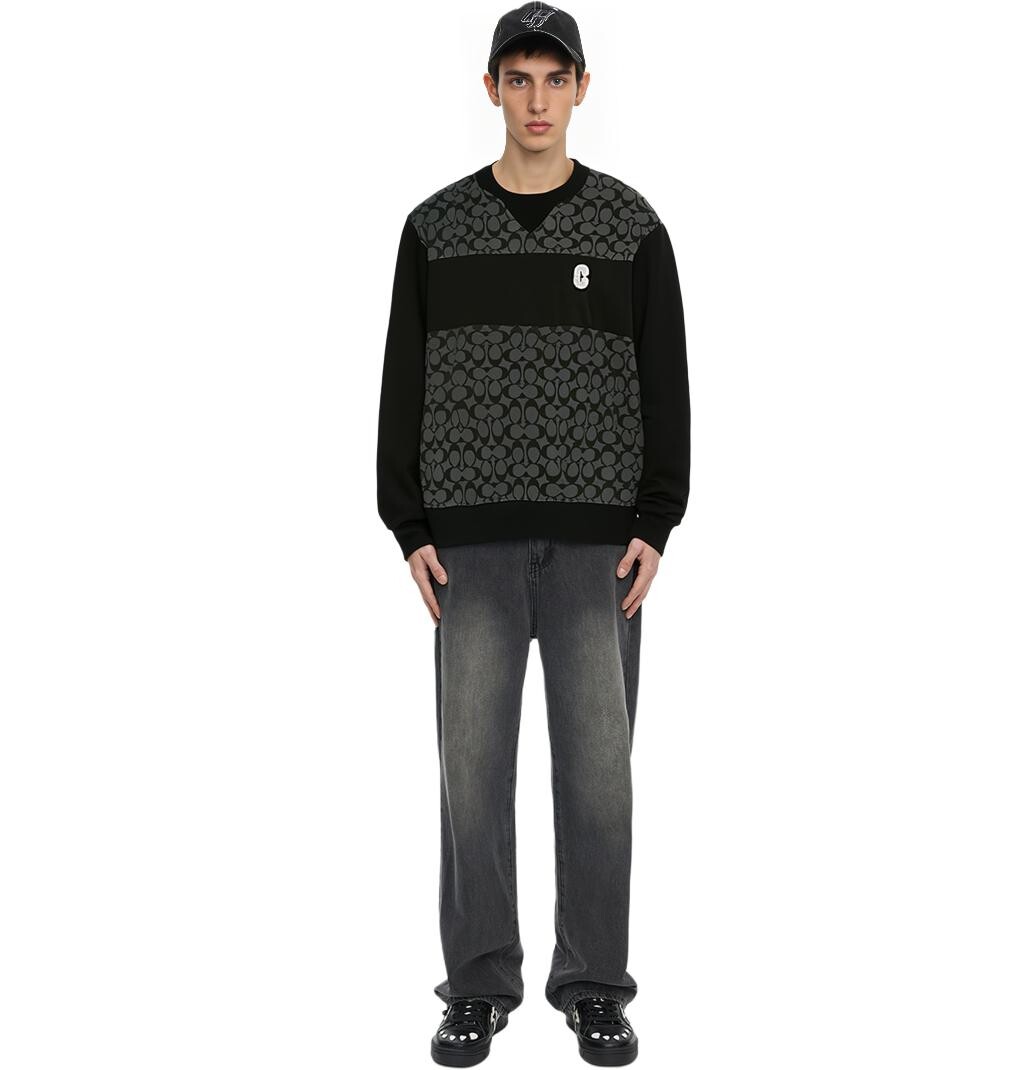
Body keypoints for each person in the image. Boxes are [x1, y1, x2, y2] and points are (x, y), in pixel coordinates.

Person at [376, 4, 690, 1064]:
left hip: (602, 552)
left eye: (555, 79)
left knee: (599, 781)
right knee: (471, 776)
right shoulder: (434, 230)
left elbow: (665, 381)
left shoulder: (630, 228)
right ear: (491, 90)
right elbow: (402, 380)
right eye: (518, 79)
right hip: (468, 548)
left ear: (582, 89)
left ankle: (594, 984)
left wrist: (657, 518)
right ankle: (477, 985)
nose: (537, 100)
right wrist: (408, 521)